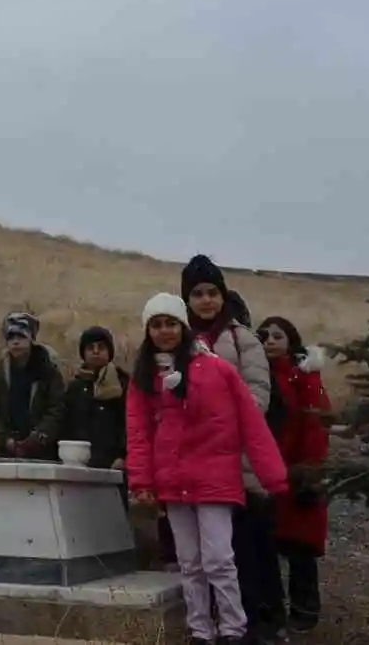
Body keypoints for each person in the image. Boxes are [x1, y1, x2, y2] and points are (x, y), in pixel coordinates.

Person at [127, 293, 289, 645]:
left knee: (219, 559)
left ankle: (233, 628)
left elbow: (251, 423)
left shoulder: (217, 368)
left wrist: (272, 475)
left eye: (170, 323)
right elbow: (138, 430)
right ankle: (201, 630)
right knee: (190, 563)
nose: (164, 331)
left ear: (183, 326)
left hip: (215, 479)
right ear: (147, 331)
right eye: (156, 324)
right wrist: (142, 480)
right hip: (173, 481)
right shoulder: (144, 376)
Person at [182, 254, 281, 642]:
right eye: (197, 294)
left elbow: (258, 396)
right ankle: (211, 625)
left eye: (212, 292)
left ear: (223, 295)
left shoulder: (243, 339)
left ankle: (258, 625)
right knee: (202, 554)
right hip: (195, 462)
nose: (206, 301)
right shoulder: (180, 340)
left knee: (246, 549)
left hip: (238, 459)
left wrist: (220, 423)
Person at [258, 315, 332, 633]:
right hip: (264, 472)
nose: (271, 341)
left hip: (299, 473)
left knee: (300, 547)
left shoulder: (304, 378)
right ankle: (271, 614)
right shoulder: (256, 376)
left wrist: (308, 471)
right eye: (265, 336)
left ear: (291, 341)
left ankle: (304, 613)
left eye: (278, 336)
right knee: (266, 547)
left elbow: (316, 425)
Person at [0, 311, 66, 459]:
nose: (15, 342)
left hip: (42, 451)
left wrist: (38, 437)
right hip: (6, 450)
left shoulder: (48, 370)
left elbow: (56, 408)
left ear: (31, 339)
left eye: (21, 336)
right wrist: (4, 439)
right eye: (11, 337)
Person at [61, 326, 129, 472]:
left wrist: (122, 455)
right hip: (79, 463)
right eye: (91, 347)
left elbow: (128, 422)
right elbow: (67, 423)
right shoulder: (75, 387)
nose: (96, 351)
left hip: (113, 463)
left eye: (101, 347)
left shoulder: (122, 384)